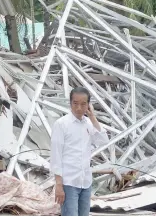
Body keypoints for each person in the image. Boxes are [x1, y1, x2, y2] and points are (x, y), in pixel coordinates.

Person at [50, 87, 109, 216]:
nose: (79, 108)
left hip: (85, 182)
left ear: (89, 105)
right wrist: (59, 185)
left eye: (83, 104)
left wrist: (92, 117)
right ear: (70, 103)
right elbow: (56, 156)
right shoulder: (61, 124)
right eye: (75, 103)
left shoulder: (88, 123)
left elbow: (103, 140)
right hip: (69, 182)